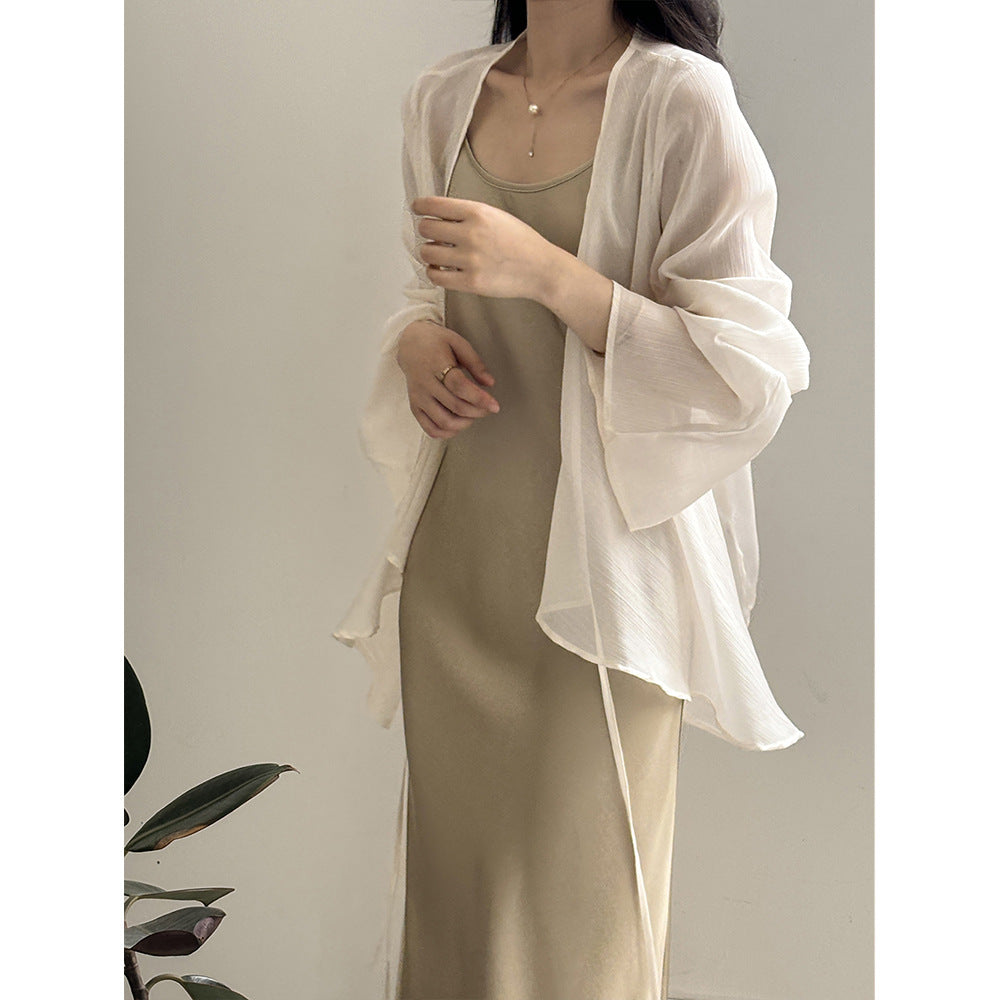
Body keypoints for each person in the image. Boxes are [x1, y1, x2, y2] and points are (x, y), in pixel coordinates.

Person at [332, 2, 811, 998]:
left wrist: (547, 273)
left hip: (600, 602)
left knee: (581, 938)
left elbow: (746, 371)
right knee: (456, 929)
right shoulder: (441, 99)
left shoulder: (682, 101)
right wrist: (417, 347)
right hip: (458, 574)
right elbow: (423, 296)